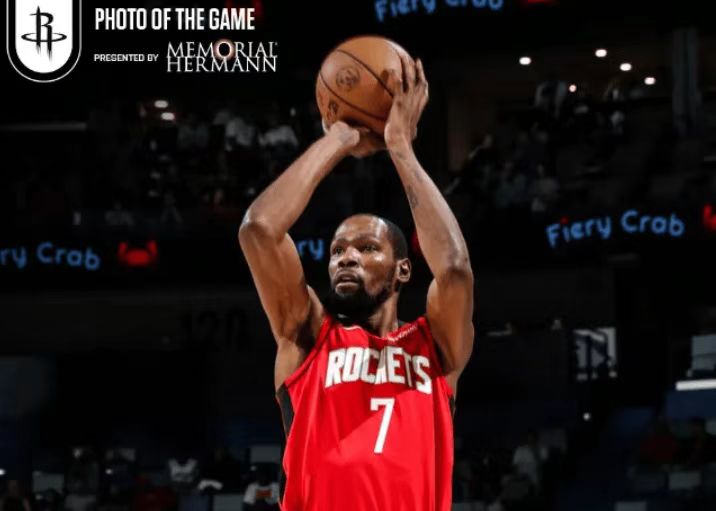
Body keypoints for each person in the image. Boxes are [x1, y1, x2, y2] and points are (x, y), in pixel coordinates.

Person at [239, 55, 474, 510]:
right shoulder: (308, 335)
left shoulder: (435, 345)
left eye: (367, 248)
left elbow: (455, 269)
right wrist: (339, 139)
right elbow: (259, 230)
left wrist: (401, 148)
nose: (346, 257)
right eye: (337, 251)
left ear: (403, 270)